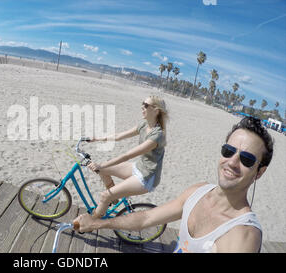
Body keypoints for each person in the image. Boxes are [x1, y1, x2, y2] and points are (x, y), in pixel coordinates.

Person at [74, 116, 274, 253]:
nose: (232, 161)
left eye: (247, 159)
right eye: (228, 150)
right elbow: (146, 218)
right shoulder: (198, 192)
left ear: (259, 172)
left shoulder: (242, 235)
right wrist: (97, 224)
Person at [86, 95, 168, 219]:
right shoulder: (144, 125)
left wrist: (100, 165)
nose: (142, 107)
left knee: (104, 195)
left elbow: (127, 155)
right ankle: (113, 200)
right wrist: (97, 138)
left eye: (146, 105)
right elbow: (119, 136)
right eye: (142, 103)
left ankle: (92, 223)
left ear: (156, 111)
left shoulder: (157, 135)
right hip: (139, 167)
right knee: (102, 170)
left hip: (146, 177)